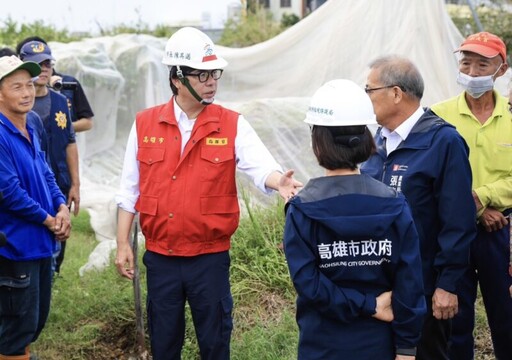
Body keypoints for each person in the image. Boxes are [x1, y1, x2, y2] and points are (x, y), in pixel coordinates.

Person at [114, 27, 302, 360]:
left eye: (215, 73)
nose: (212, 82)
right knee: (164, 343)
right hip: (161, 258)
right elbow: (130, 188)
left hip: (209, 259)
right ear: (177, 78)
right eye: (202, 75)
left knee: (215, 343)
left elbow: (260, 166)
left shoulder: (231, 124)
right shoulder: (145, 124)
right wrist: (121, 243)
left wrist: (279, 182)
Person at [283, 79, 426, 360]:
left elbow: (309, 285)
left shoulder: (301, 209)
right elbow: (410, 281)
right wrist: (407, 348)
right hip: (380, 343)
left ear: (317, 142)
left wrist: (367, 304)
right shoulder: (394, 204)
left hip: (322, 345)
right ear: (365, 138)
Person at [360, 55, 477, 360]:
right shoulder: (376, 141)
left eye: (370, 90)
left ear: (396, 93)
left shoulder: (443, 141)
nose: (366, 98)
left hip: (425, 288)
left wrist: (447, 285)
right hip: (381, 285)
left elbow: (458, 221)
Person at [431, 31, 512, 360]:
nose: (473, 72)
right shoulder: (437, 116)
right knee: (454, 320)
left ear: (501, 70)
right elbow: (431, 177)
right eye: (466, 63)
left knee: (507, 315)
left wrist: (484, 195)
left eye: (483, 64)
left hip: (502, 233)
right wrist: (477, 210)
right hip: (451, 234)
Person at [0, 55, 71, 359]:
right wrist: (47, 219)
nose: (27, 92)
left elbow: (44, 171)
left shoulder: (32, 122)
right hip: (15, 245)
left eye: (29, 84)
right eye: (17, 87)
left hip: (42, 244)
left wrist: (61, 206)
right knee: (16, 326)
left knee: (34, 320)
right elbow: (8, 192)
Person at [19, 40, 80, 275]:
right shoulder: (21, 107)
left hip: (58, 182)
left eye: (47, 64)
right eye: (37, 65)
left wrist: (75, 183)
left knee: (59, 239)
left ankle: (51, 278)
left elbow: (70, 142)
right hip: (30, 186)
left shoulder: (60, 101)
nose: (44, 69)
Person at [16, 36, 94, 133]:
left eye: (47, 63)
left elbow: (87, 122)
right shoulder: (16, 91)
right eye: (37, 63)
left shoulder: (67, 84)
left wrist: (61, 128)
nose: (43, 69)